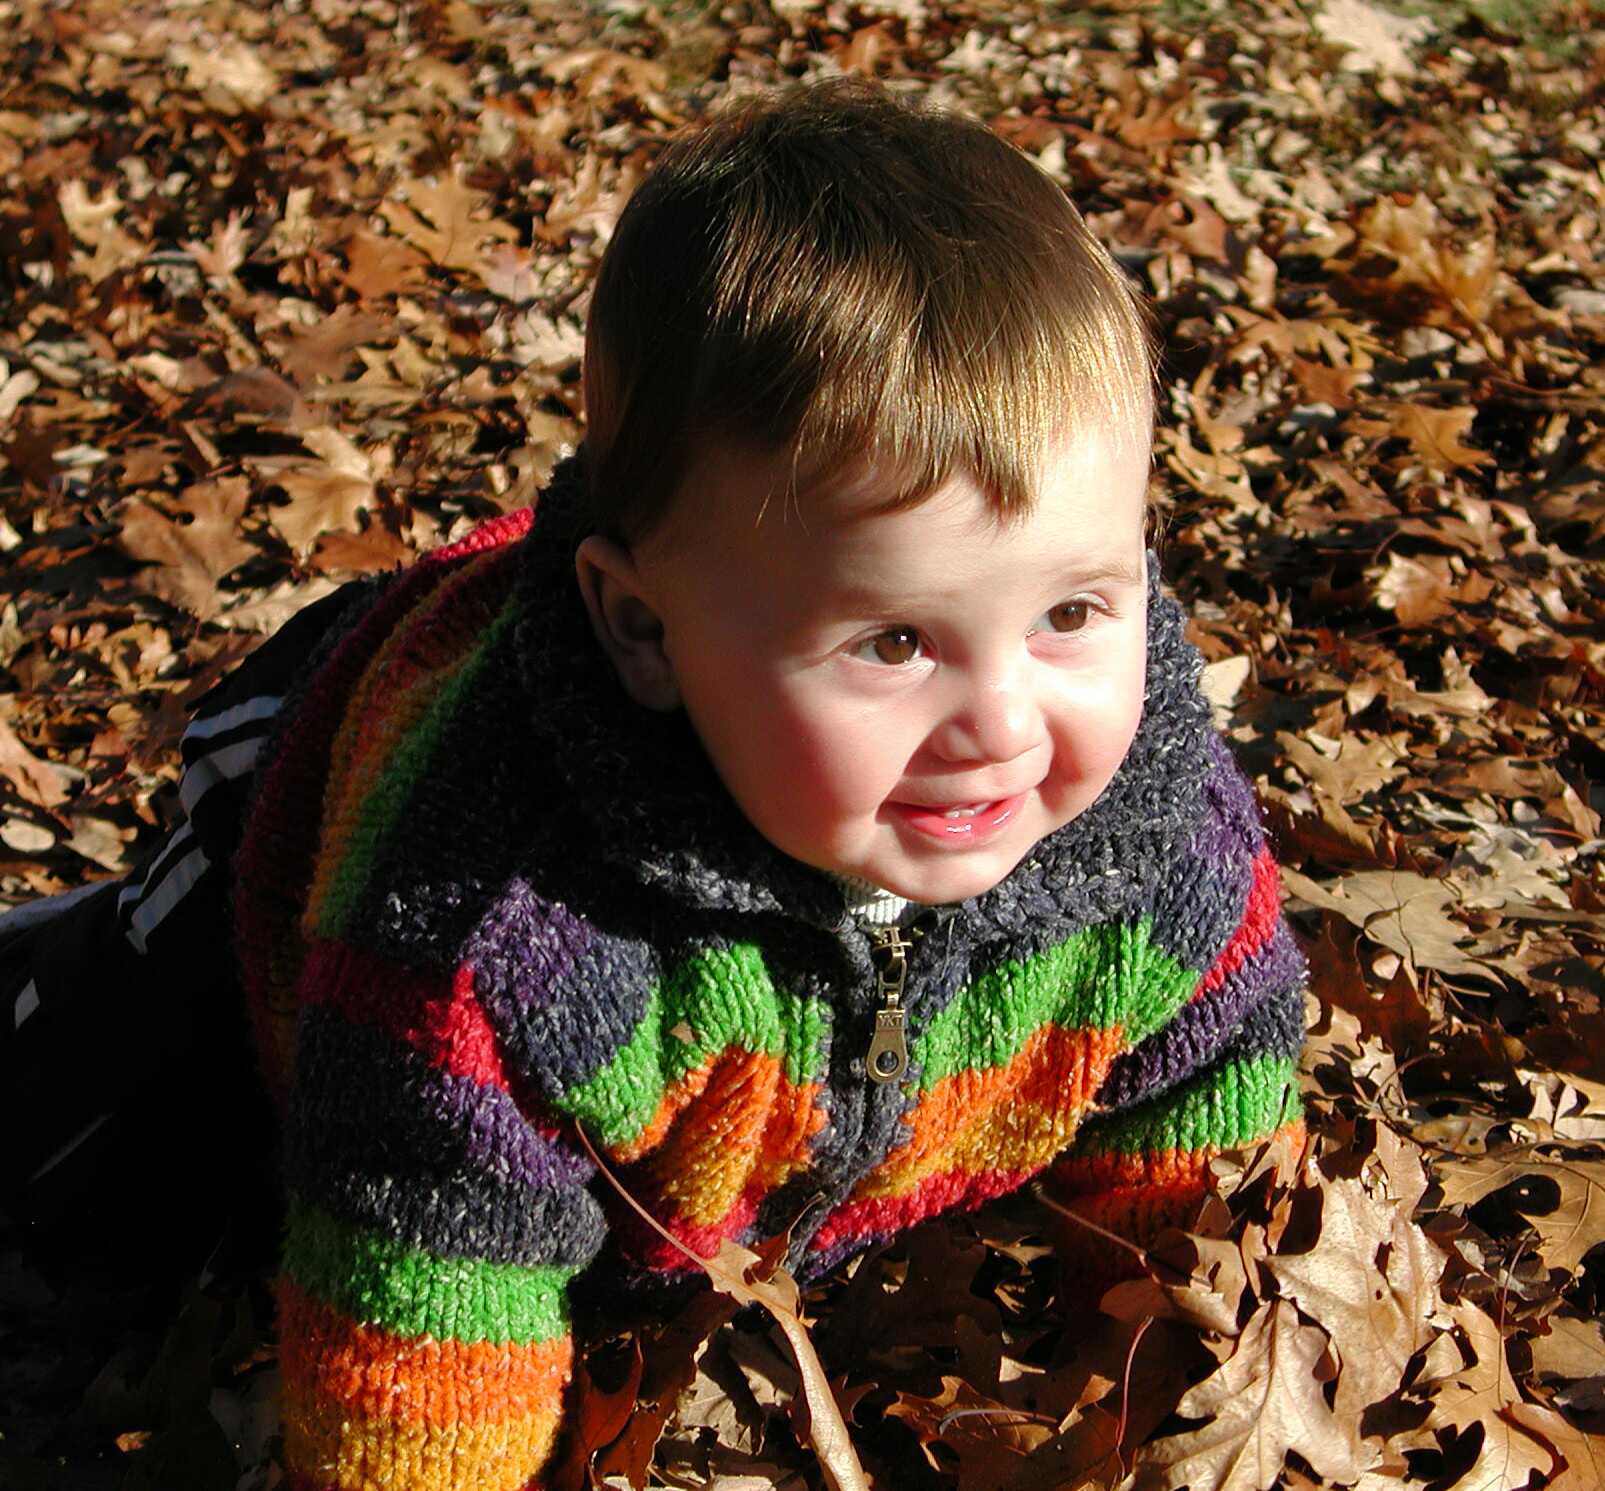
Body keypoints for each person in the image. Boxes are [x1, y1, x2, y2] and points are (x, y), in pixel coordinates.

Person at [1, 78, 1307, 1490]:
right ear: (643, 630)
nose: (1001, 724)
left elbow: (1206, 1151)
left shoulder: (1155, 836)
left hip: (764, 1141)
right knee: (95, 1194)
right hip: (267, 940)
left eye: (1072, 613)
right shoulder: (490, 926)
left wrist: (1174, 1382)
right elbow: (423, 1334)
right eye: (891, 641)